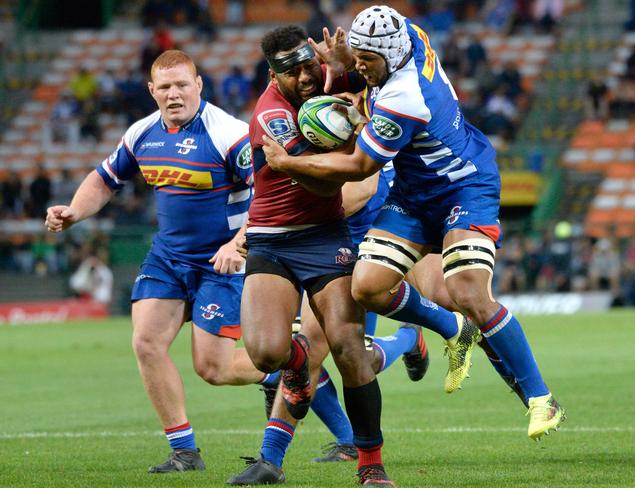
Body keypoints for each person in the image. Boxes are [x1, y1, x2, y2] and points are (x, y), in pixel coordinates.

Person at [261, 6, 566, 441]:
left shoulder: (402, 98)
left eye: (367, 59)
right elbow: (372, 59)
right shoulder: (409, 34)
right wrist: (348, 63)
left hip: (464, 187)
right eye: (360, 55)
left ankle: (540, 398)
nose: (360, 65)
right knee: (366, 286)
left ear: (389, 53)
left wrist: (290, 162)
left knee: (468, 292)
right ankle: (450, 327)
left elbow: (359, 165)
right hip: (413, 193)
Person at [45, 49, 282, 474]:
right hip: (168, 257)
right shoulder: (141, 134)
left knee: (213, 368)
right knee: (145, 342)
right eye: (165, 87)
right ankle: (185, 452)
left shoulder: (229, 134)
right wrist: (73, 212)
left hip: (221, 261)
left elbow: (268, 195)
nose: (174, 94)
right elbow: (104, 179)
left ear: (199, 86)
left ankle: (275, 375)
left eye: (182, 85)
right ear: (152, 91)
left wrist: (238, 245)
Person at [226, 25, 405, 487]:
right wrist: (355, 140)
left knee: (350, 350)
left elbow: (383, 83)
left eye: (309, 63)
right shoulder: (271, 116)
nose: (307, 76)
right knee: (266, 354)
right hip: (271, 238)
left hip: (327, 236)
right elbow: (324, 181)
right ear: (272, 75)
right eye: (293, 71)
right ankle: (297, 363)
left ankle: (371, 467)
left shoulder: (324, 74)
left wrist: (347, 65)